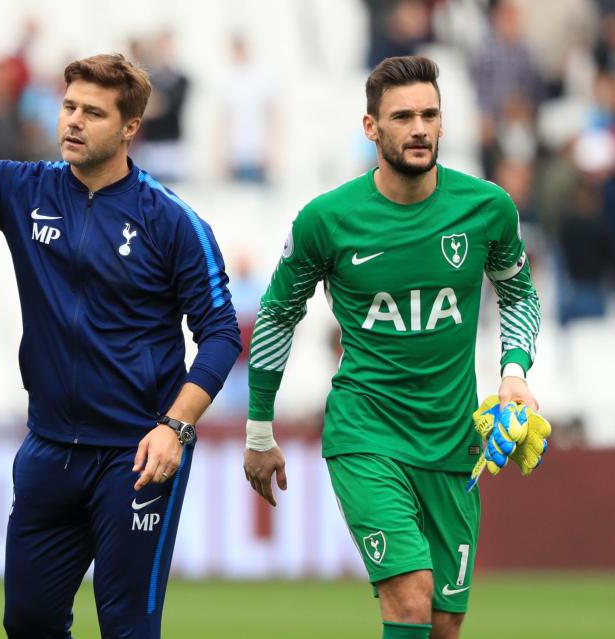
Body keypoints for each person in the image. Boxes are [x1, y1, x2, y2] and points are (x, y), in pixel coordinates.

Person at [0, 53, 241, 638]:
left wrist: (175, 426)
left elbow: (219, 333)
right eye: (68, 107)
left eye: (93, 112)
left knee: (128, 629)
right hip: (48, 452)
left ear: (130, 128)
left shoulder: (172, 221)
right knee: (28, 622)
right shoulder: (20, 188)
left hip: (134, 457)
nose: (74, 122)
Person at [242, 56, 540, 639]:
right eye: (402, 116)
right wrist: (259, 431)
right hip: (366, 434)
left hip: (454, 442)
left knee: (444, 623)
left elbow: (519, 294)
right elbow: (278, 316)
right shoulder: (326, 221)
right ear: (371, 127)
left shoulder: (487, 208)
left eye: (430, 114)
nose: (420, 128)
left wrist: (513, 371)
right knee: (410, 599)